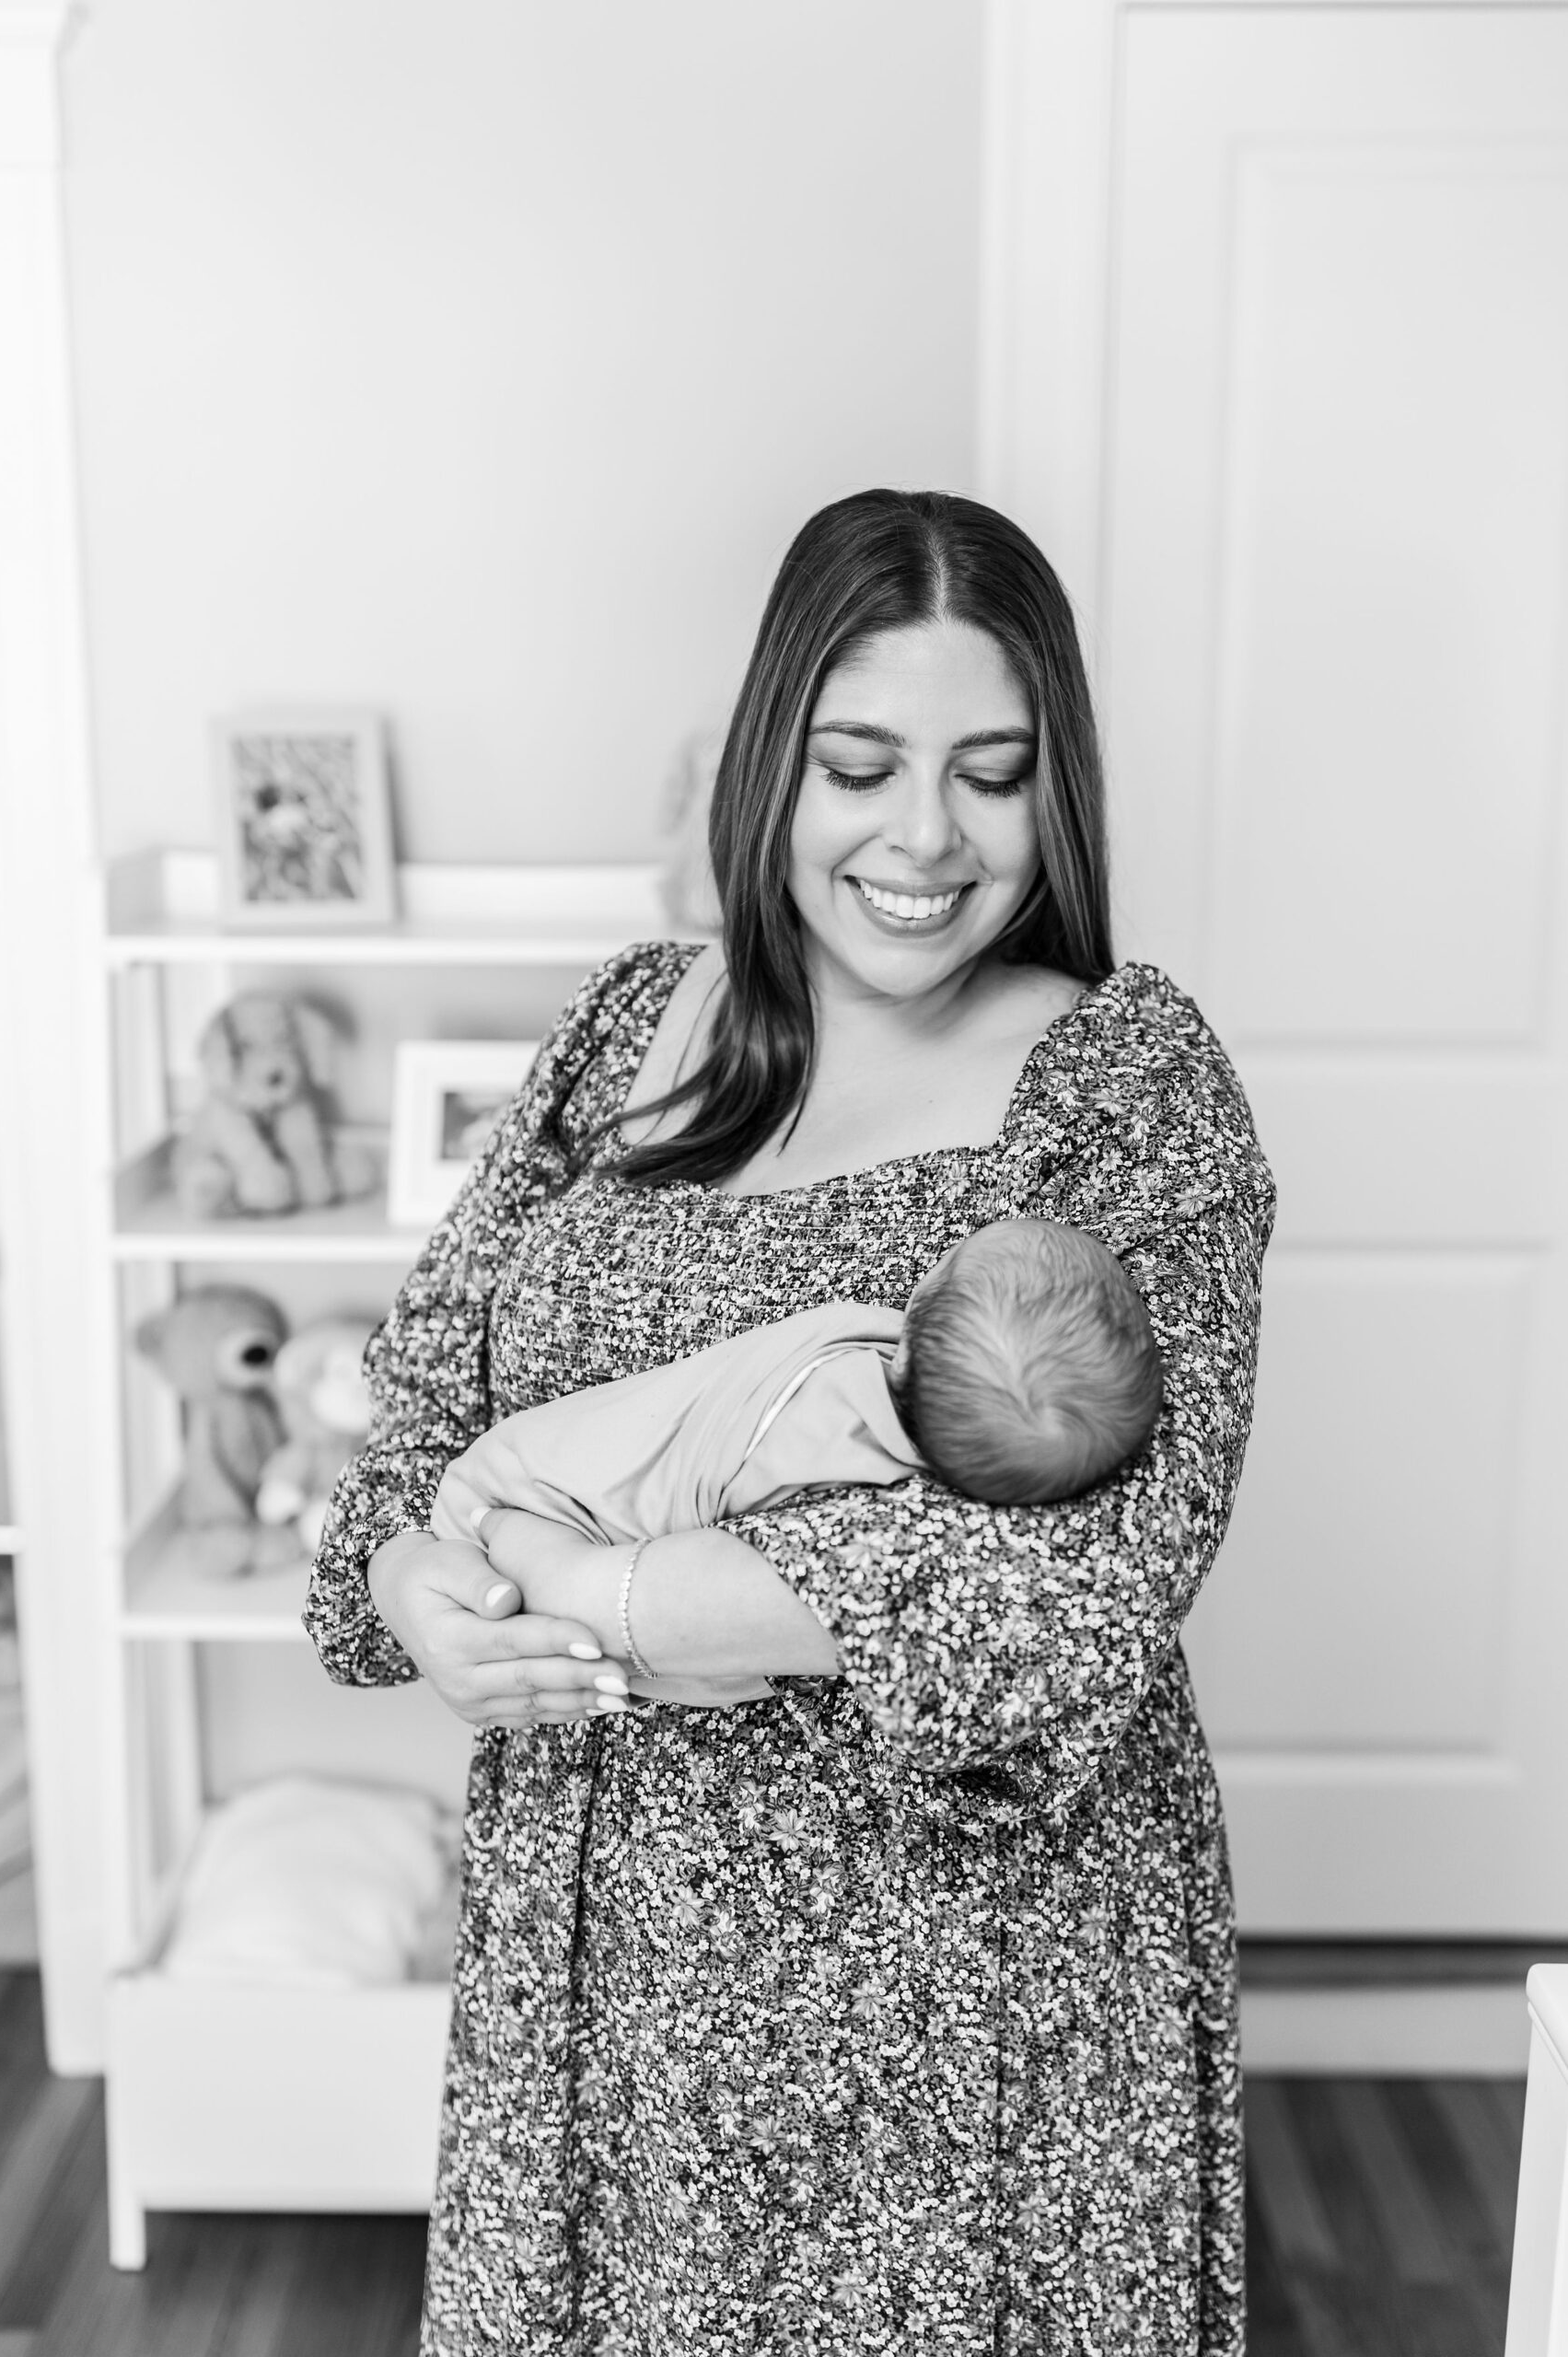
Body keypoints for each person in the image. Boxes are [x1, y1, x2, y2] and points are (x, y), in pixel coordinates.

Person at [306, 487, 1274, 2357]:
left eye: (990, 771)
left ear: (1051, 786)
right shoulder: (620, 1032)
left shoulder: (1129, 1078)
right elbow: (414, 1419)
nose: (925, 834)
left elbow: (1085, 1580)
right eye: (859, 762)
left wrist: (609, 1601)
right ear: (770, 765)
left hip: (970, 1999)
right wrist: (428, 1581)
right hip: (602, 1978)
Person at [427, 1214, 1164, 1561]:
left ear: (906, 1341)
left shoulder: (823, 1431)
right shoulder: (899, 1462)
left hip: (541, 1500)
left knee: (536, 1535)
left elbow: (714, 1520)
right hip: (516, 1490)